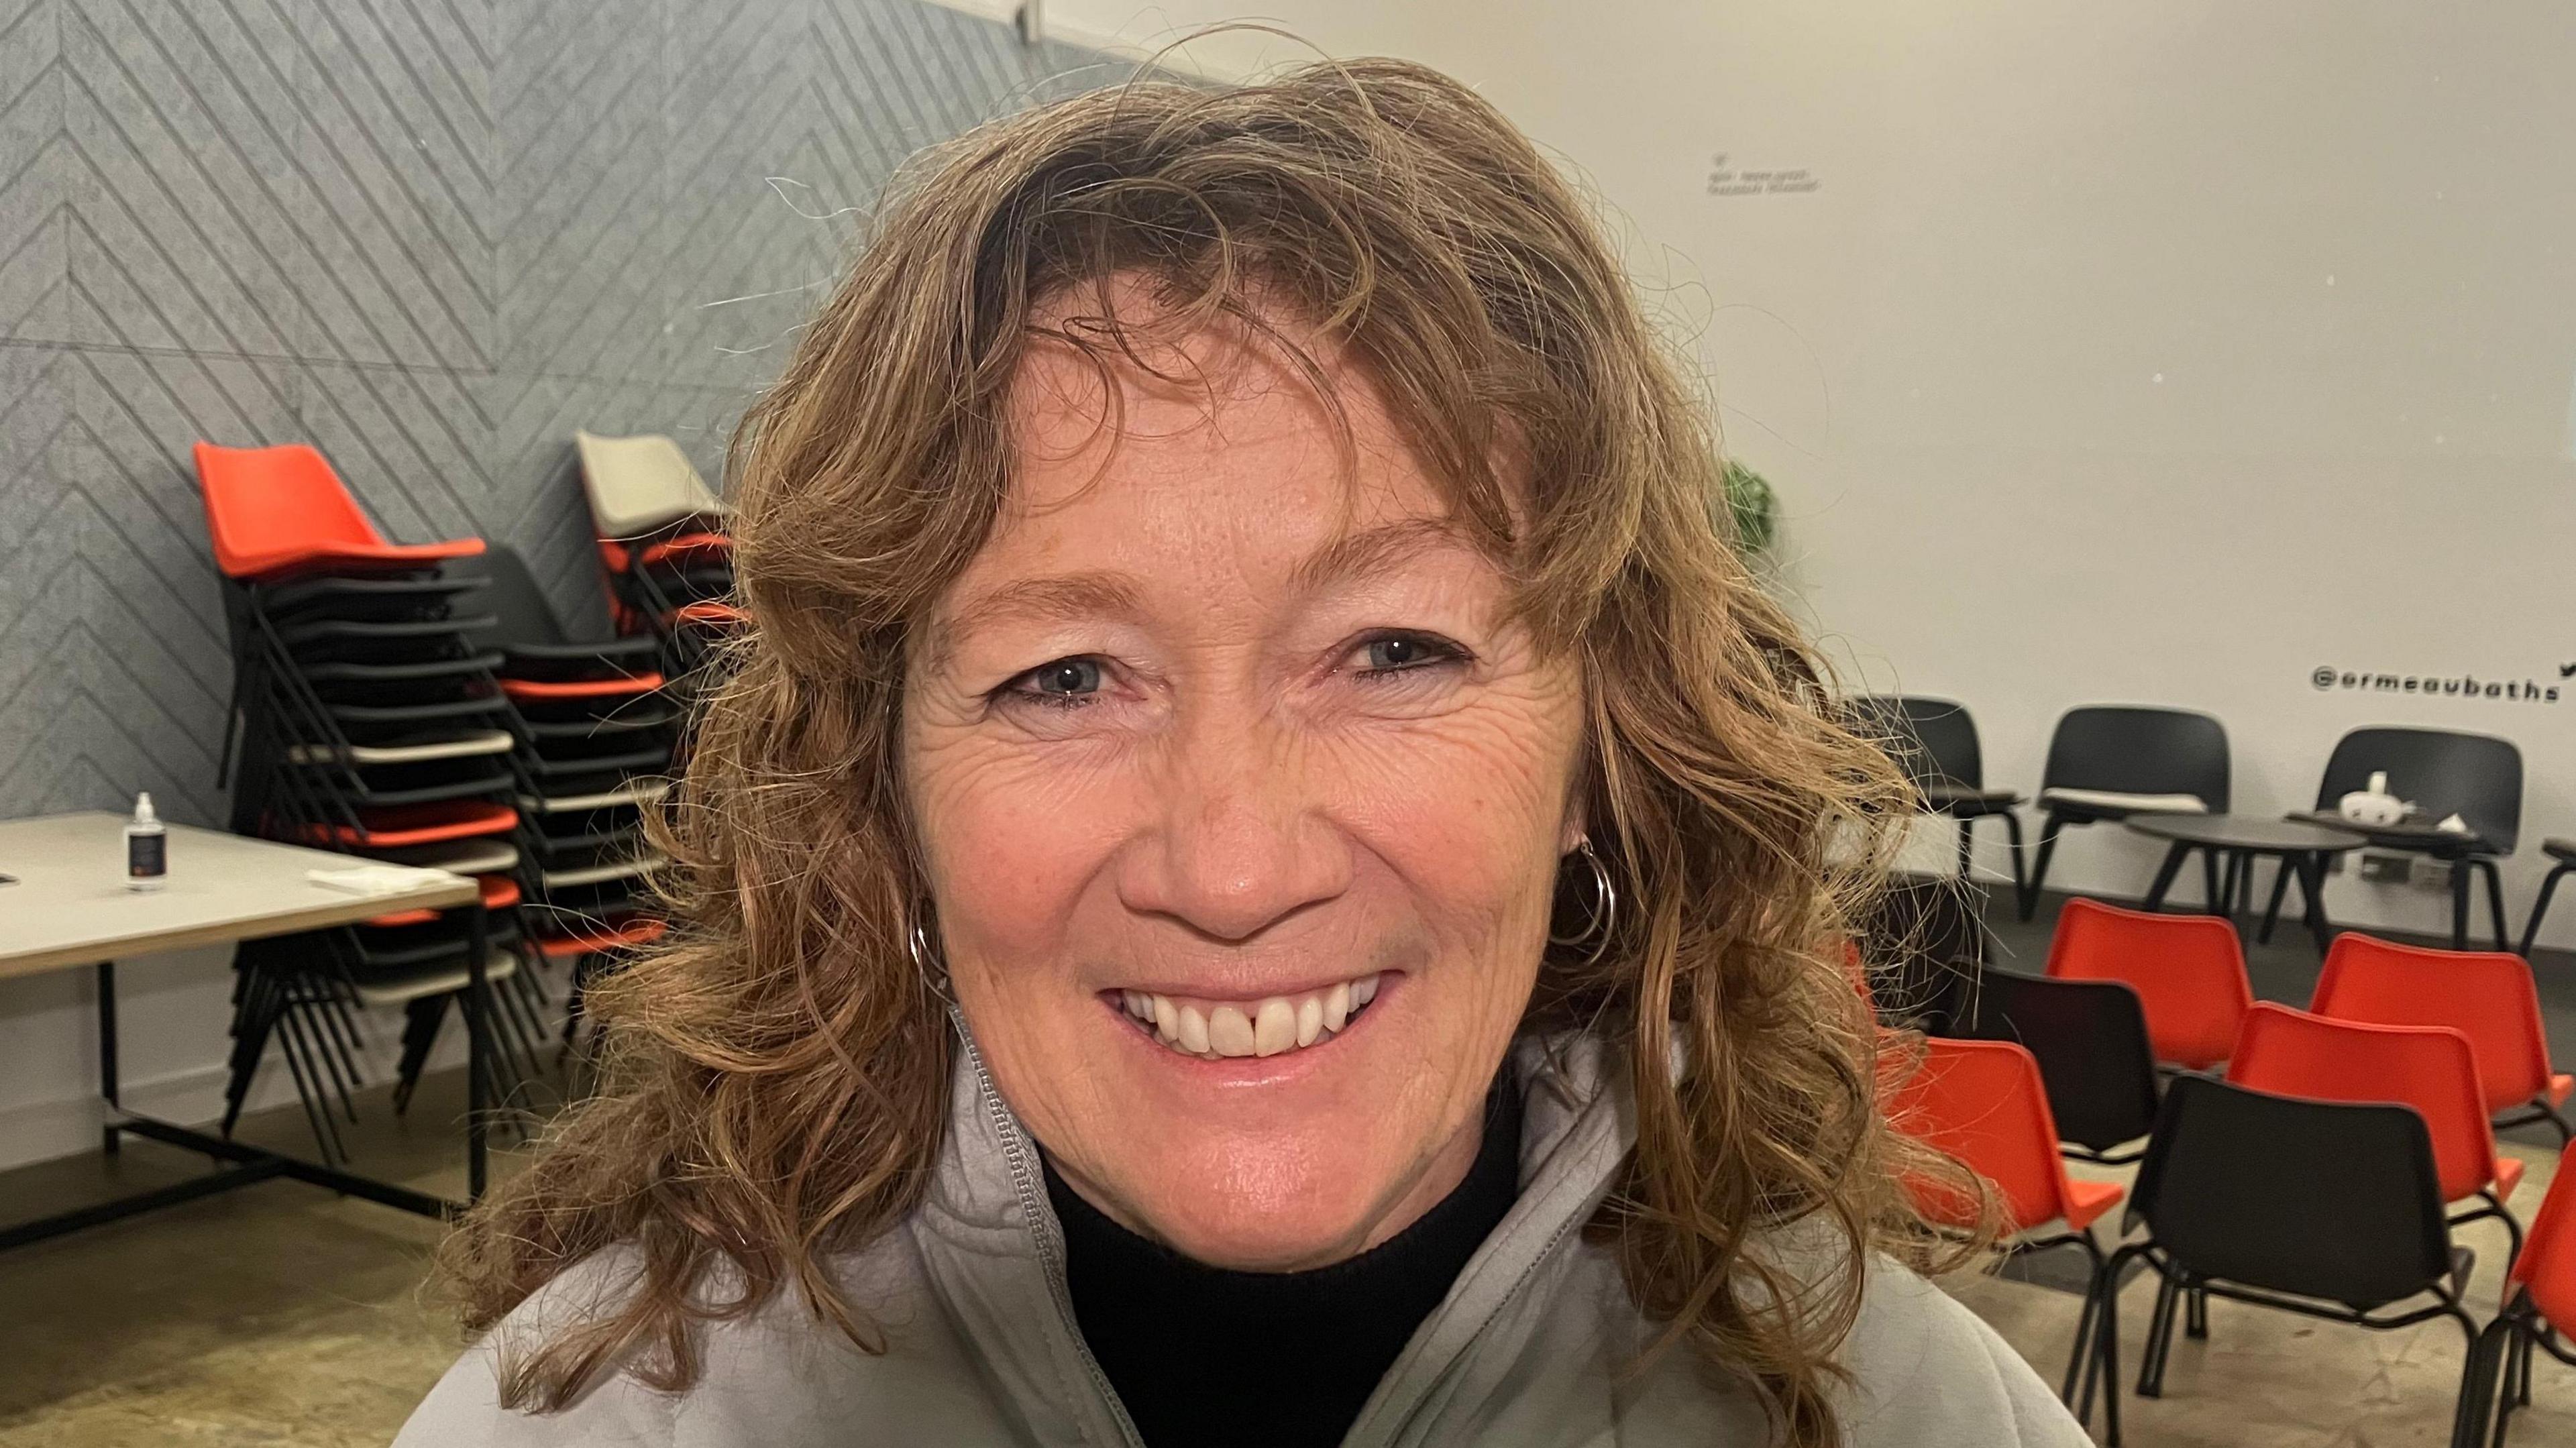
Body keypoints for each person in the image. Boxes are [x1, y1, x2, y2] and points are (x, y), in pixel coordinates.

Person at [400, 57, 2088, 1448]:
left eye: (1396, 650)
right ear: (883, 795)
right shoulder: (580, 1431)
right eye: (1066, 677)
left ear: (1602, 757)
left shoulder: (1925, 1426)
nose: (1232, 867)